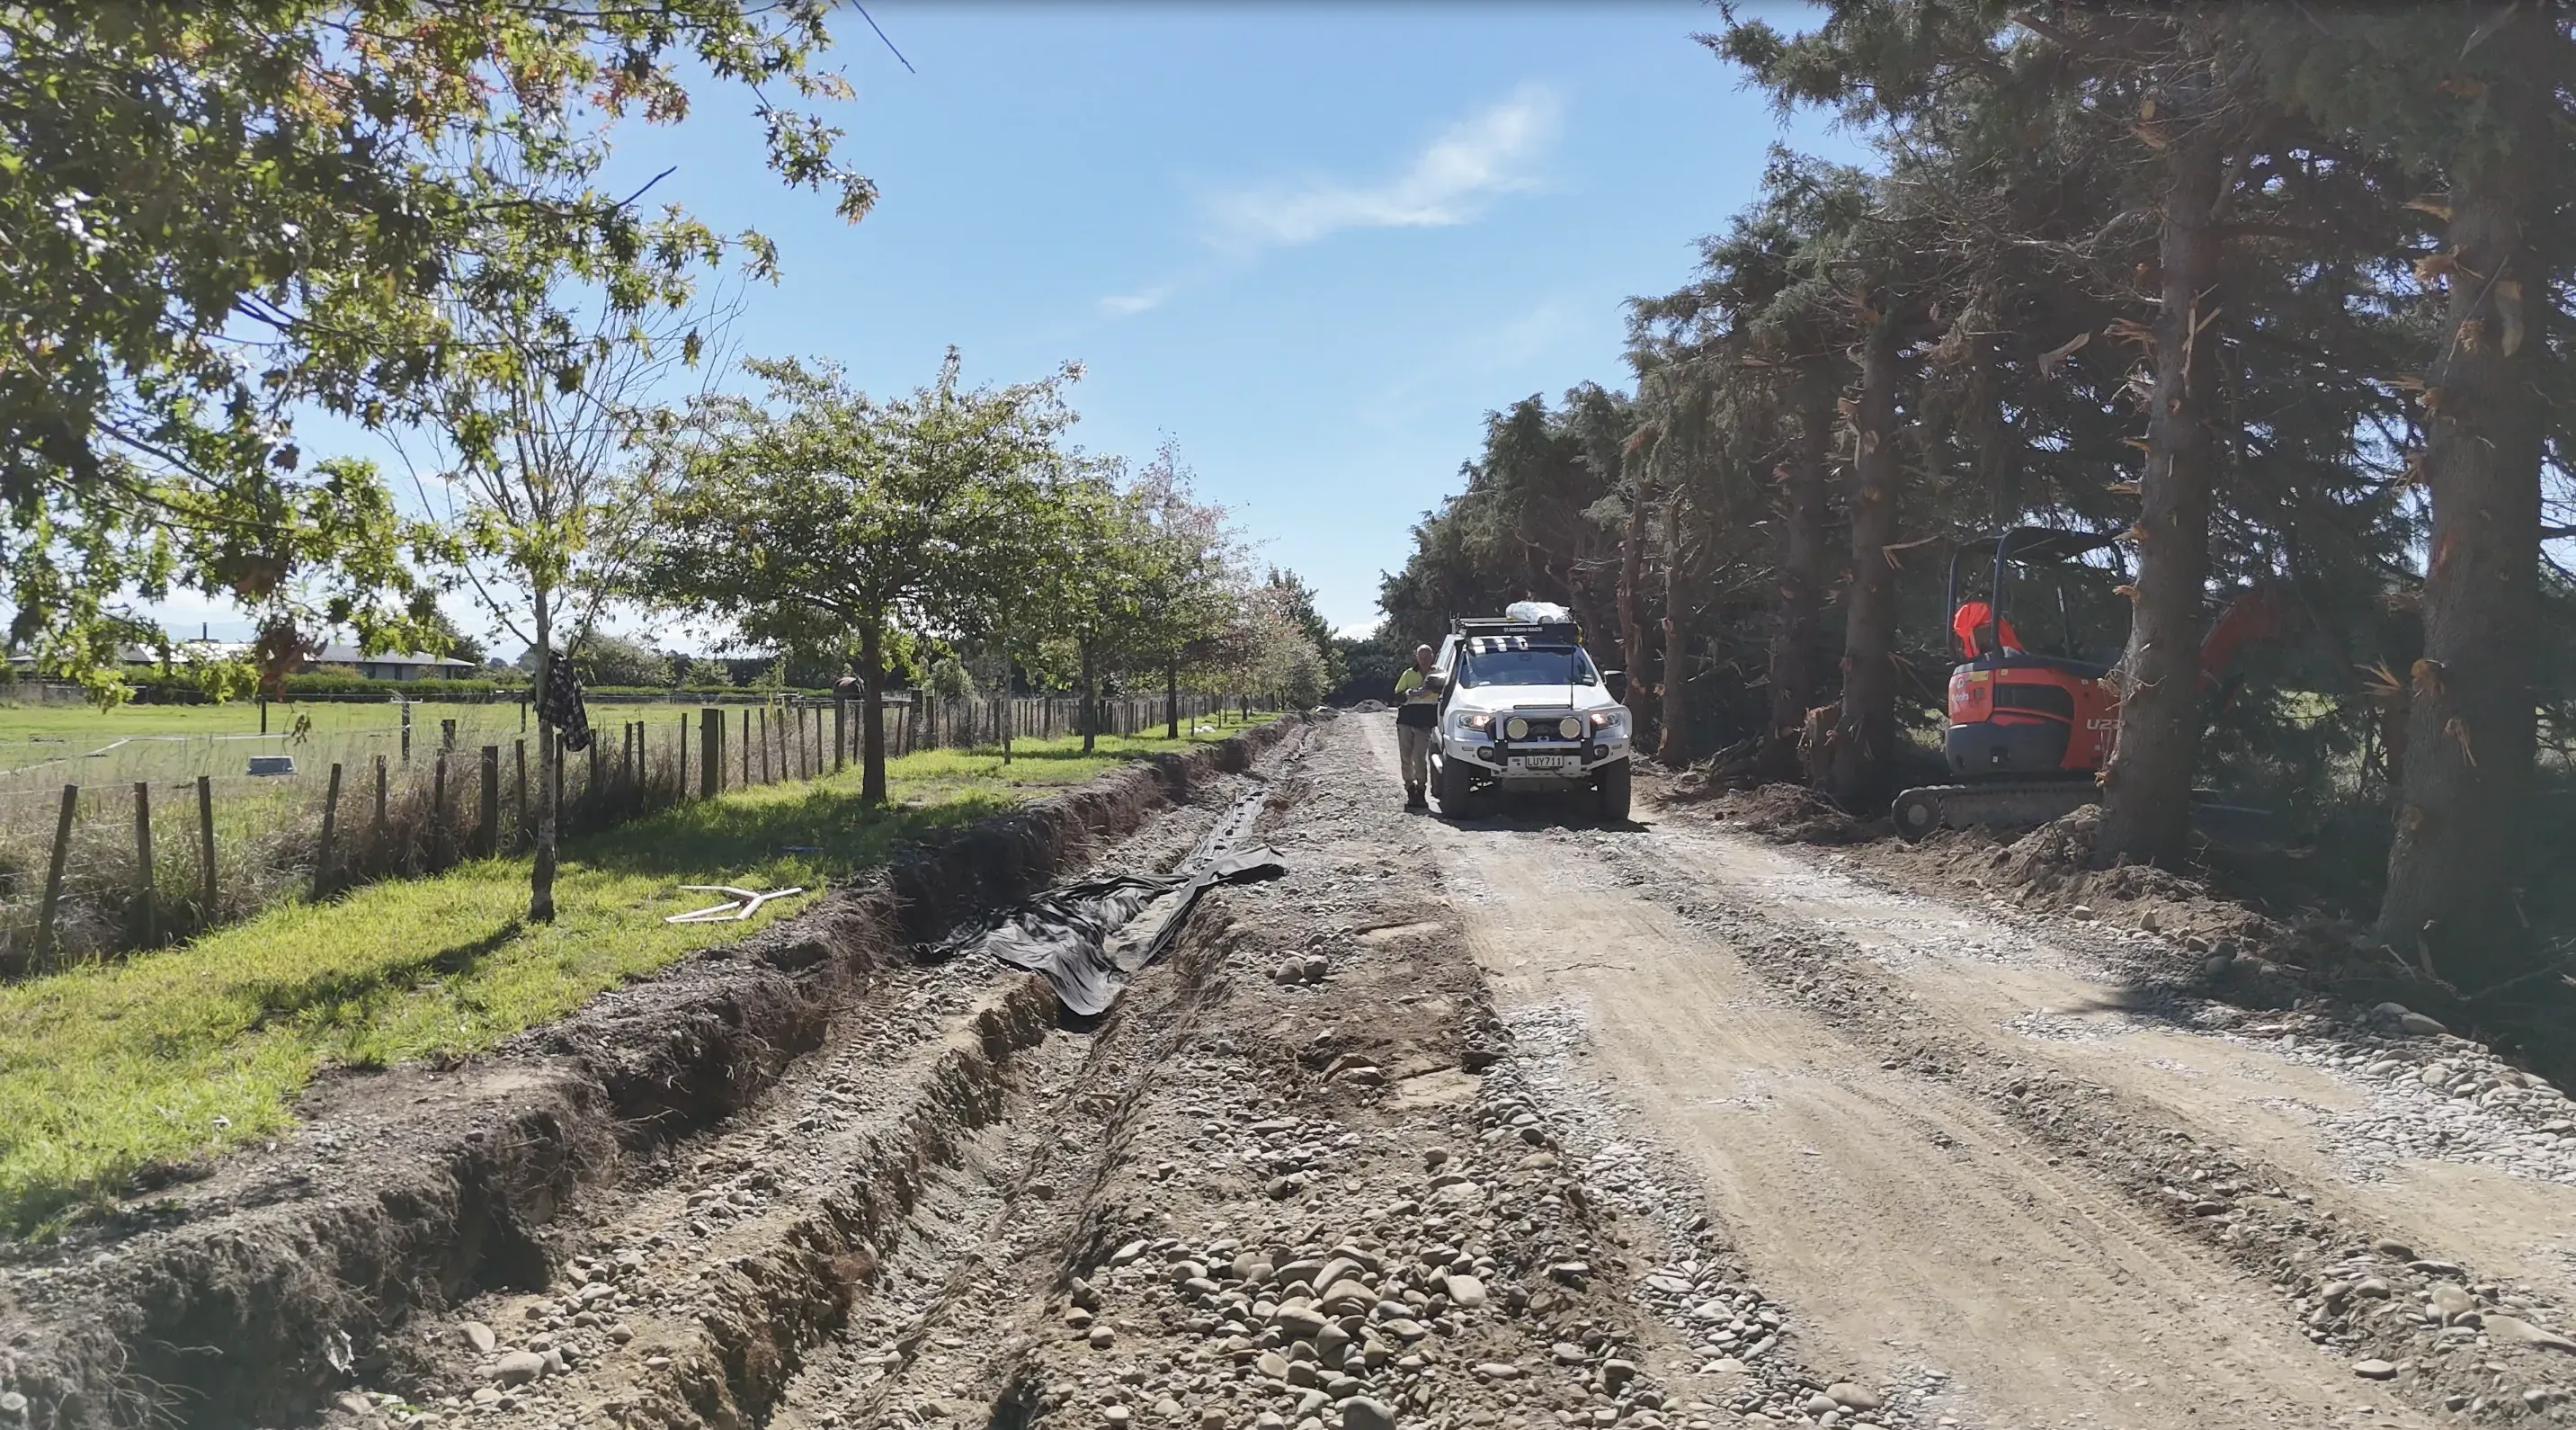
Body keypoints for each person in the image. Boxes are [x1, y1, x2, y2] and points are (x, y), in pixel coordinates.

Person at [1392, 643, 1440, 808]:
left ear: (1432, 656)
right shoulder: (1408, 674)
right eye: (1421, 656)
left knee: (1419, 759)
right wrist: (1409, 693)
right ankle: (1410, 789)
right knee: (1406, 758)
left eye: (1427, 656)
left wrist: (1429, 692)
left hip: (1425, 722)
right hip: (1406, 720)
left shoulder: (1439, 674)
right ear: (1416, 657)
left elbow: (1444, 692)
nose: (1424, 660)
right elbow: (1396, 695)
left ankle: (1421, 790)